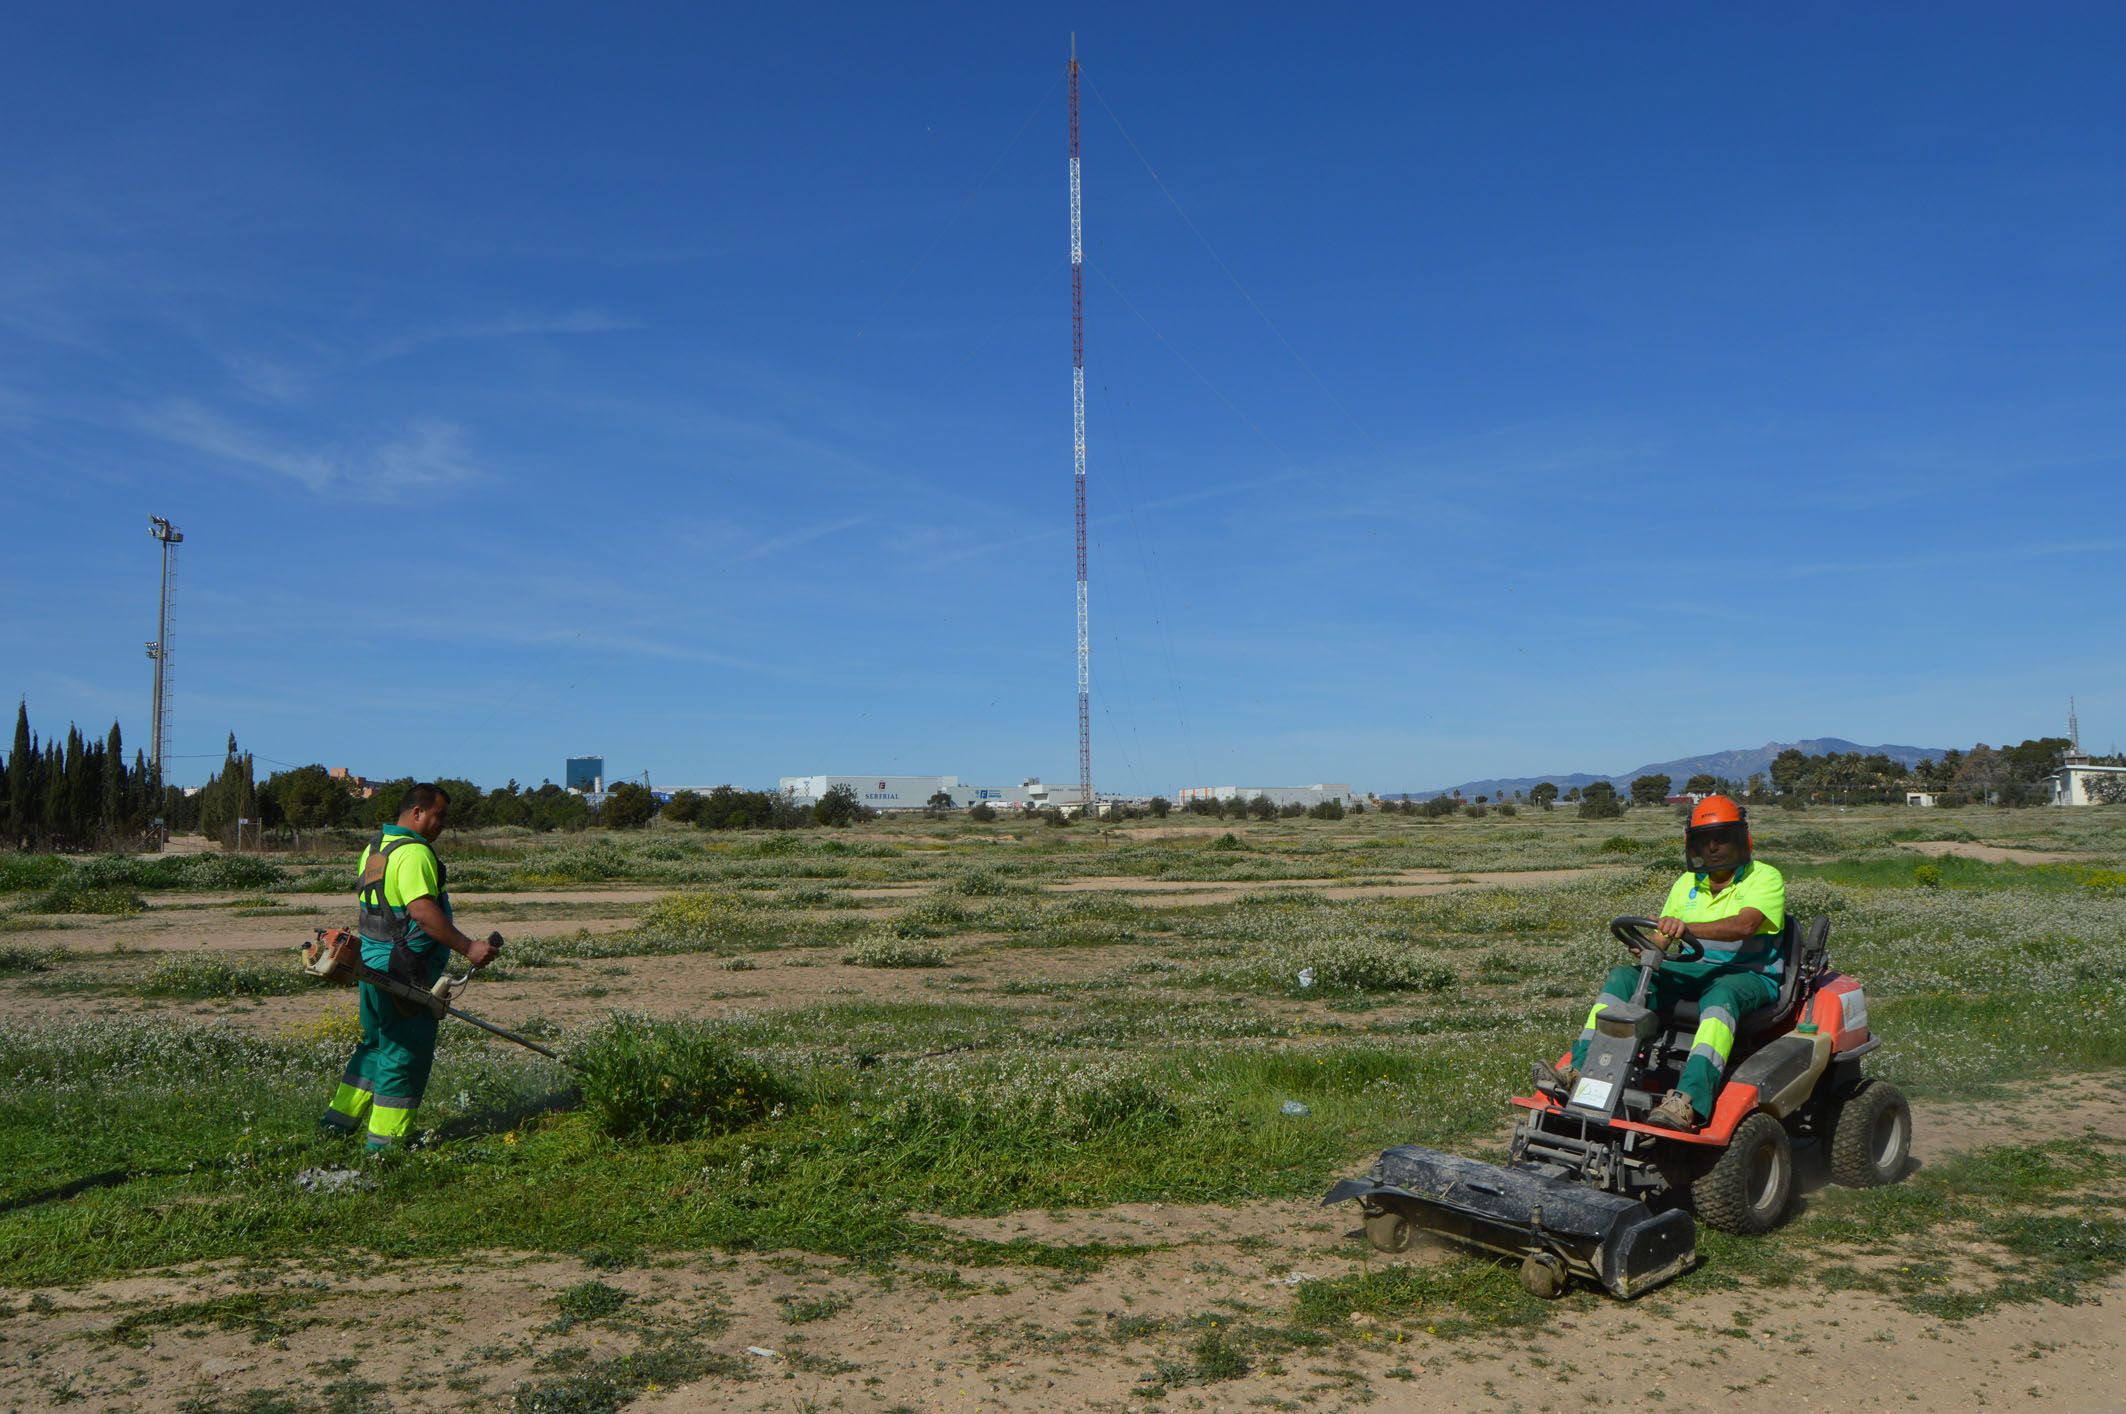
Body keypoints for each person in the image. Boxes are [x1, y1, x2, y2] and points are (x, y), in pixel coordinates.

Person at [1538, 795, 1785, 1130]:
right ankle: (1580, 1071)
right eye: (1704, 840)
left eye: (1722, 838)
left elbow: (1746, 925)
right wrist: (1648, 946)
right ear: (1693, 844)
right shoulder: (1687, 883)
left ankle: (1688, 1100)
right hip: (1692, 969)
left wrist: (1686, 928)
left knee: (1720, 996)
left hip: (1747, 973)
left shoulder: (1764, 877)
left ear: (1742, 840)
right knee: (1625, 978)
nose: (1713, 847)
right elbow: (1664, 936)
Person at [321, 782, 501, 1150]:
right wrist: (469, 948)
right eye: (439, 816)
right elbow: (421, 912)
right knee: (403, 1054)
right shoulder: (416, 853)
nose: (443, 824)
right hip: (405, 971)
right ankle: (387, 1146)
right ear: (417, 812)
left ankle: (336, 1127)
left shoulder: (377, 849)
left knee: (373, 1046)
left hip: (370, 965)